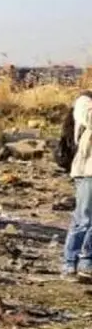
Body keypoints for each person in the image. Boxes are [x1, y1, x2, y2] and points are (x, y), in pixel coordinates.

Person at [61, 91, 92, 281]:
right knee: (84, 218)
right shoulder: (84, 101)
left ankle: (87, 262)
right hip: (87, 171)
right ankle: (69, 262)